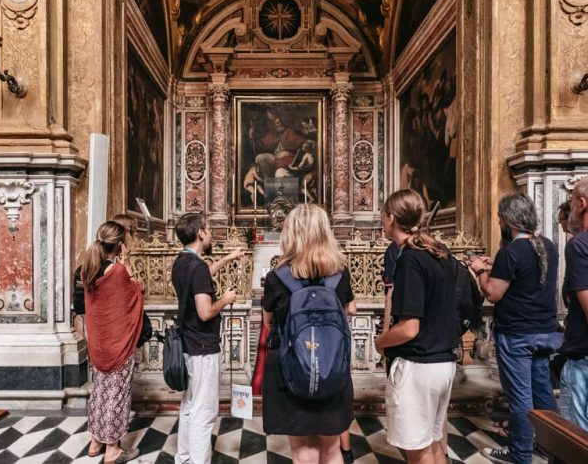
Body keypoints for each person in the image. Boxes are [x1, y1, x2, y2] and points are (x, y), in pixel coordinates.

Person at [469, 193, 562, 464]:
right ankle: (550, 447)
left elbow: (493, 294)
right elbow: (526, 278)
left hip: (518, 335)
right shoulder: (547, 245)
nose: (498, 221)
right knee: (542, 392)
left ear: (508, 220)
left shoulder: (510, 252)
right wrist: (495, 266)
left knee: (521, 398)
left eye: (499, 218)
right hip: (544, 332)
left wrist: (479, 270)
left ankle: (520, 454)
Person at [262, 204, 357, 464]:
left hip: (292, 368)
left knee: (303, 451)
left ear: (289, 234)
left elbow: (268, 322)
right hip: (332, 367)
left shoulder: (276, 277)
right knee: (331, 448)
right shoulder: (340, 273)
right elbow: (349, 310)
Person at [374, 189, 458, 464]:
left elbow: (410, 328)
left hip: (419, 367)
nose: (381, 222)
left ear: (391, 218)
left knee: (418, 452)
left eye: (383, 217)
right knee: (434, 445)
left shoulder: (409, 259)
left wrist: (381, 341)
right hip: (443, 363)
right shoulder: (439, 252)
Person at [172, 213, 244, 464]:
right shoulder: (198, 267)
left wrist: (227, 258)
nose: (211, 232)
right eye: (209, 228)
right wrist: (225, 299)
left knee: (189, 407)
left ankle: (183, 458)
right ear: (200, 233)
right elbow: (205, 312)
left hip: (187, 345)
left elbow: (199, 278)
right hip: (203, 347)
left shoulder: (182, 262)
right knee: (204, 413)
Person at [83, 221, 143, 463]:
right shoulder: (117, 272)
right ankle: (113, 450)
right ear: (119, 245)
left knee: (100, 390)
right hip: (117, 344)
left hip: (99, 343)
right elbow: (137, 292)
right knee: (116, 393)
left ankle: (95, 442)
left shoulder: (89, 269)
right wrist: (127, 264)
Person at [559, 178, 588, 431]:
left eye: (571, 202)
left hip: (583, 359)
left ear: (581, 203)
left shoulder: (579, 245)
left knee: (574, 440)